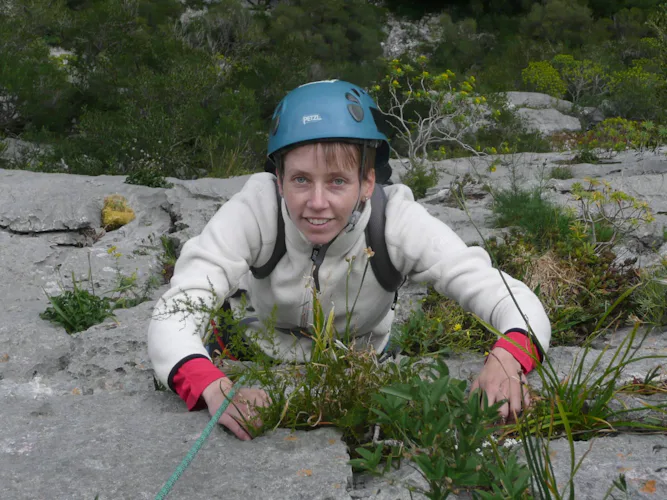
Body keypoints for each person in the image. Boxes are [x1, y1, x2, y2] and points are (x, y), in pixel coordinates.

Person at [147, 80, 551, 441]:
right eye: (300, 179)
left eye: (338, 181)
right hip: (258, 347)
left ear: (368, 181)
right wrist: (214, 387)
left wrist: (506, 357)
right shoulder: (256, 209)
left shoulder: (396, 219)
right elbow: (182, 302)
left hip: (363, 358)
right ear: (278, 177)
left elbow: (499, 292)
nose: (317, 203)